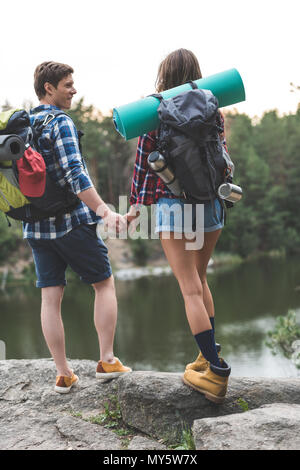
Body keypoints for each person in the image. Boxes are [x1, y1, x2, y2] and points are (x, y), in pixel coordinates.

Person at [126, 49, 231, 404]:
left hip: (175, 209)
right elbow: (223, 157)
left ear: (163, 76)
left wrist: (134, 209)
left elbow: (142, 165)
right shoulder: (211, 107)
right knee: (201, 280)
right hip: (212, 203)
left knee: (189, 288)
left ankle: (215, 372)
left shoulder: (154, 113)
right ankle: (205, 356)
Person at [25, 61, 131, 393]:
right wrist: (104, 212)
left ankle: (63, 374)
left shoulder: (23, 125)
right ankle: (107, 360)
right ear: (49, 88)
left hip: (35, 227)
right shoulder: (60, 123)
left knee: (50, 297)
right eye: (68, 84)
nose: (74, 89)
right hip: (72, 223)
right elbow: (75, 174)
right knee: (104, 285)